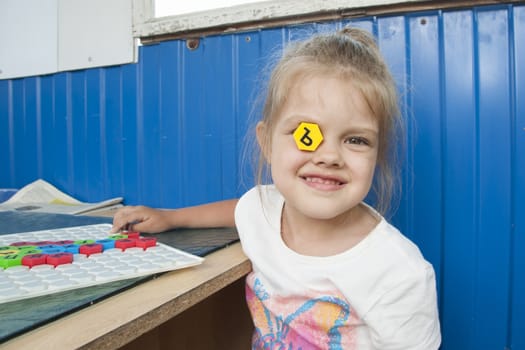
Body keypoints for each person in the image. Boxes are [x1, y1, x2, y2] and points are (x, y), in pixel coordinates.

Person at [112, 27, 441, 349]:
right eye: (307, 134)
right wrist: (170, 218)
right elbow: (241, 209)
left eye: (356, 140)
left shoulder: (399, 275)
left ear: (377, 154)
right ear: (267, 142)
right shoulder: (263, 210)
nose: (328, 156)